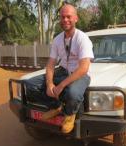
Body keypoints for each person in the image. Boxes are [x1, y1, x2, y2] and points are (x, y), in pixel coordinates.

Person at [25, 3, 94, 133]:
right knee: (30, 84)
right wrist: (49, 83)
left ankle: (69, 114)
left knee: (73, 93)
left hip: (79, 74)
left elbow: (84, 68)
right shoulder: (57, 39)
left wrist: (61, 85)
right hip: (62, 71)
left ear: (76, 19)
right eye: (62, 17)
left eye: (69, 16)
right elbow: (51, 63)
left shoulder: (82, 39)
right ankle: (56, 107)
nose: (65, 20)